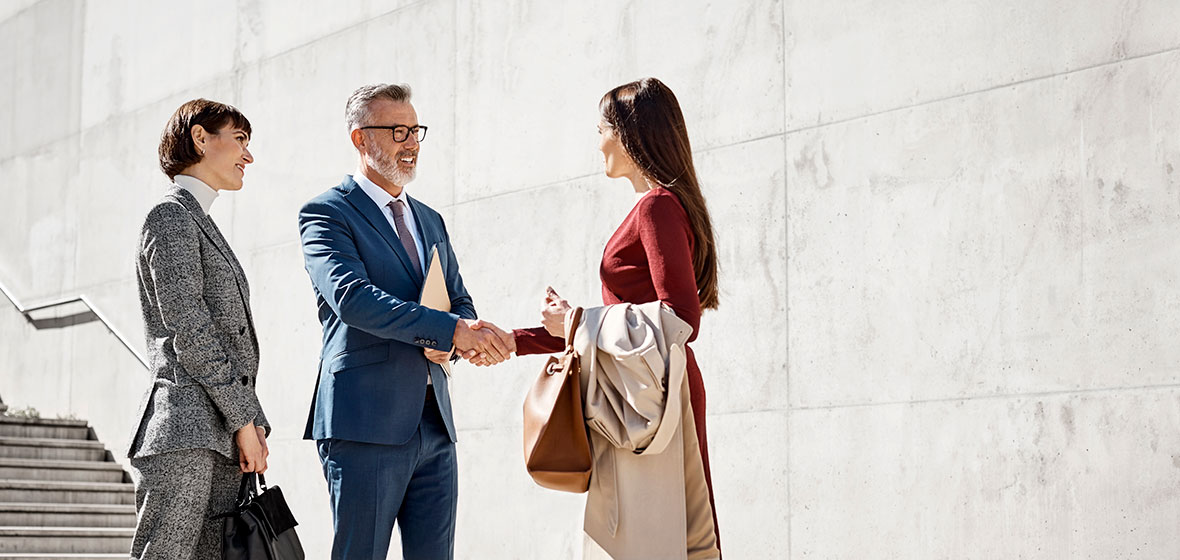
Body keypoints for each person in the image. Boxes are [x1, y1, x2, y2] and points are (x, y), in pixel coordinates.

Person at [298, 83, 514, 559]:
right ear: (360, 139)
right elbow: (352, 299)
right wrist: (447, 330)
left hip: (435, 422)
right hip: (364, 424)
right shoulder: (327, 213)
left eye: (415, 129)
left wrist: (461, 335)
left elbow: (458, 299)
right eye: (398, 130)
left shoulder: (430, 219)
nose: (411, 141)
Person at [509, 77, 723, 557]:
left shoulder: (656, 207)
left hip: (653, 400)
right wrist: (515, 339)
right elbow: (605, 323)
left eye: (602, 128)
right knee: (664, 535)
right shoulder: (660, 205)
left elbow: (682, 317)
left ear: (631, 135)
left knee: (674, 536)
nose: (598, 140)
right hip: (644, 391)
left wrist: (577, 321)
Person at [127, 99, 270, 559]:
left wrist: (249, 421)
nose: (249, 156)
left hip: (221, 433)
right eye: (241, 140)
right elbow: (191, 331)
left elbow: (227, 339)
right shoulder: (170, 217)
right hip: (186, 432)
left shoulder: (199, 221)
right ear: (201, 138)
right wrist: (244, 417)